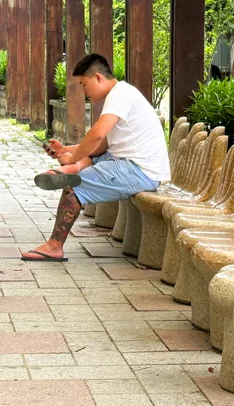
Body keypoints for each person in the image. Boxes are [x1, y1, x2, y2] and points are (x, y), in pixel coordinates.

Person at [20, 53, 171, 262]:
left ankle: (54, 246)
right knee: (96, 156)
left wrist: (72, 158)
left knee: (73, 185)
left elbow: (98, 133)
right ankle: (74, 167)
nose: (84, 91)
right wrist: (67, 149)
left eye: (84, 84)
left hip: (140, 171)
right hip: (131, 164)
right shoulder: (122, 93)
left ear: (98, 77)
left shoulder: (120, 95)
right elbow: (104, 144)